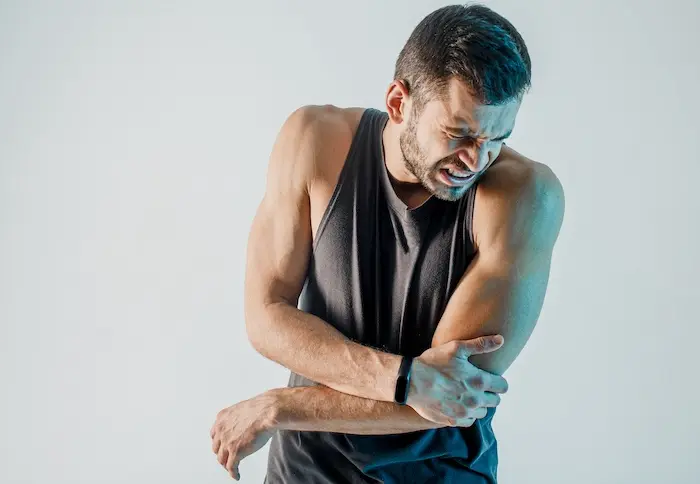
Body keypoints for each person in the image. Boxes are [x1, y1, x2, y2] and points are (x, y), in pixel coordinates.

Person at [210, 4, 564, 483]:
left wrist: (279, 406)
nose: (476, 159)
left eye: (497, 138)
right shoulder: (315, 142)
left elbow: (450, 398)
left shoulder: (525, 197)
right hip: (305, 471)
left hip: (439, 473)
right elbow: (266, 315)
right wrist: (404, 379)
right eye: (458, 133)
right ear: (399, 101)